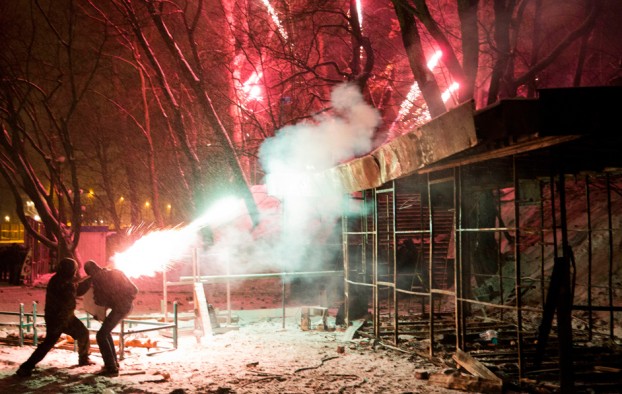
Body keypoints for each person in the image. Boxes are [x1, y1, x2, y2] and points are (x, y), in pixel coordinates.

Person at [16, 258, 93, 377]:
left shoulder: (61, 279)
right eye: (73, 269)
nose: (74, 272)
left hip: (63, 317)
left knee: (82, 333)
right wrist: (90, 279)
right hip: (59, 318)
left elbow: (76, 288)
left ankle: (84, 359)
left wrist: (89, 279)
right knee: (49, 343)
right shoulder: (61, 282)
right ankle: (26, 367)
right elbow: (76, 290)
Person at [82, 260, 138, 376]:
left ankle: (111, 367)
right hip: (127, 306)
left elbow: (100, 301)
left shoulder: (97, 281)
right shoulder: (116, 272)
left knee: (101, 335)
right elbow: (134, 290)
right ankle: (113, 363)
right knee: (105, 333)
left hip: (120, 308)